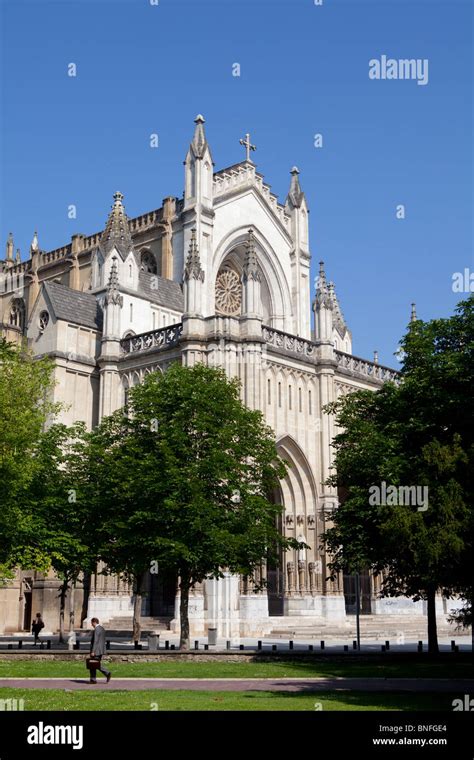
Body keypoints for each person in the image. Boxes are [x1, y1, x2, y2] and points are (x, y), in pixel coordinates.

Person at [88, 617, 111, 684]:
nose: (91, 625)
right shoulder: (102, 628)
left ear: (94, 622)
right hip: (100, 650)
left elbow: (96, 641)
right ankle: (93, 679)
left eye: (91, 623)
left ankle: (107, 673)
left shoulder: (97, 629)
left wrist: (93, 651)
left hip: (96, 651)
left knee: (94, 664)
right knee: (94, 664)